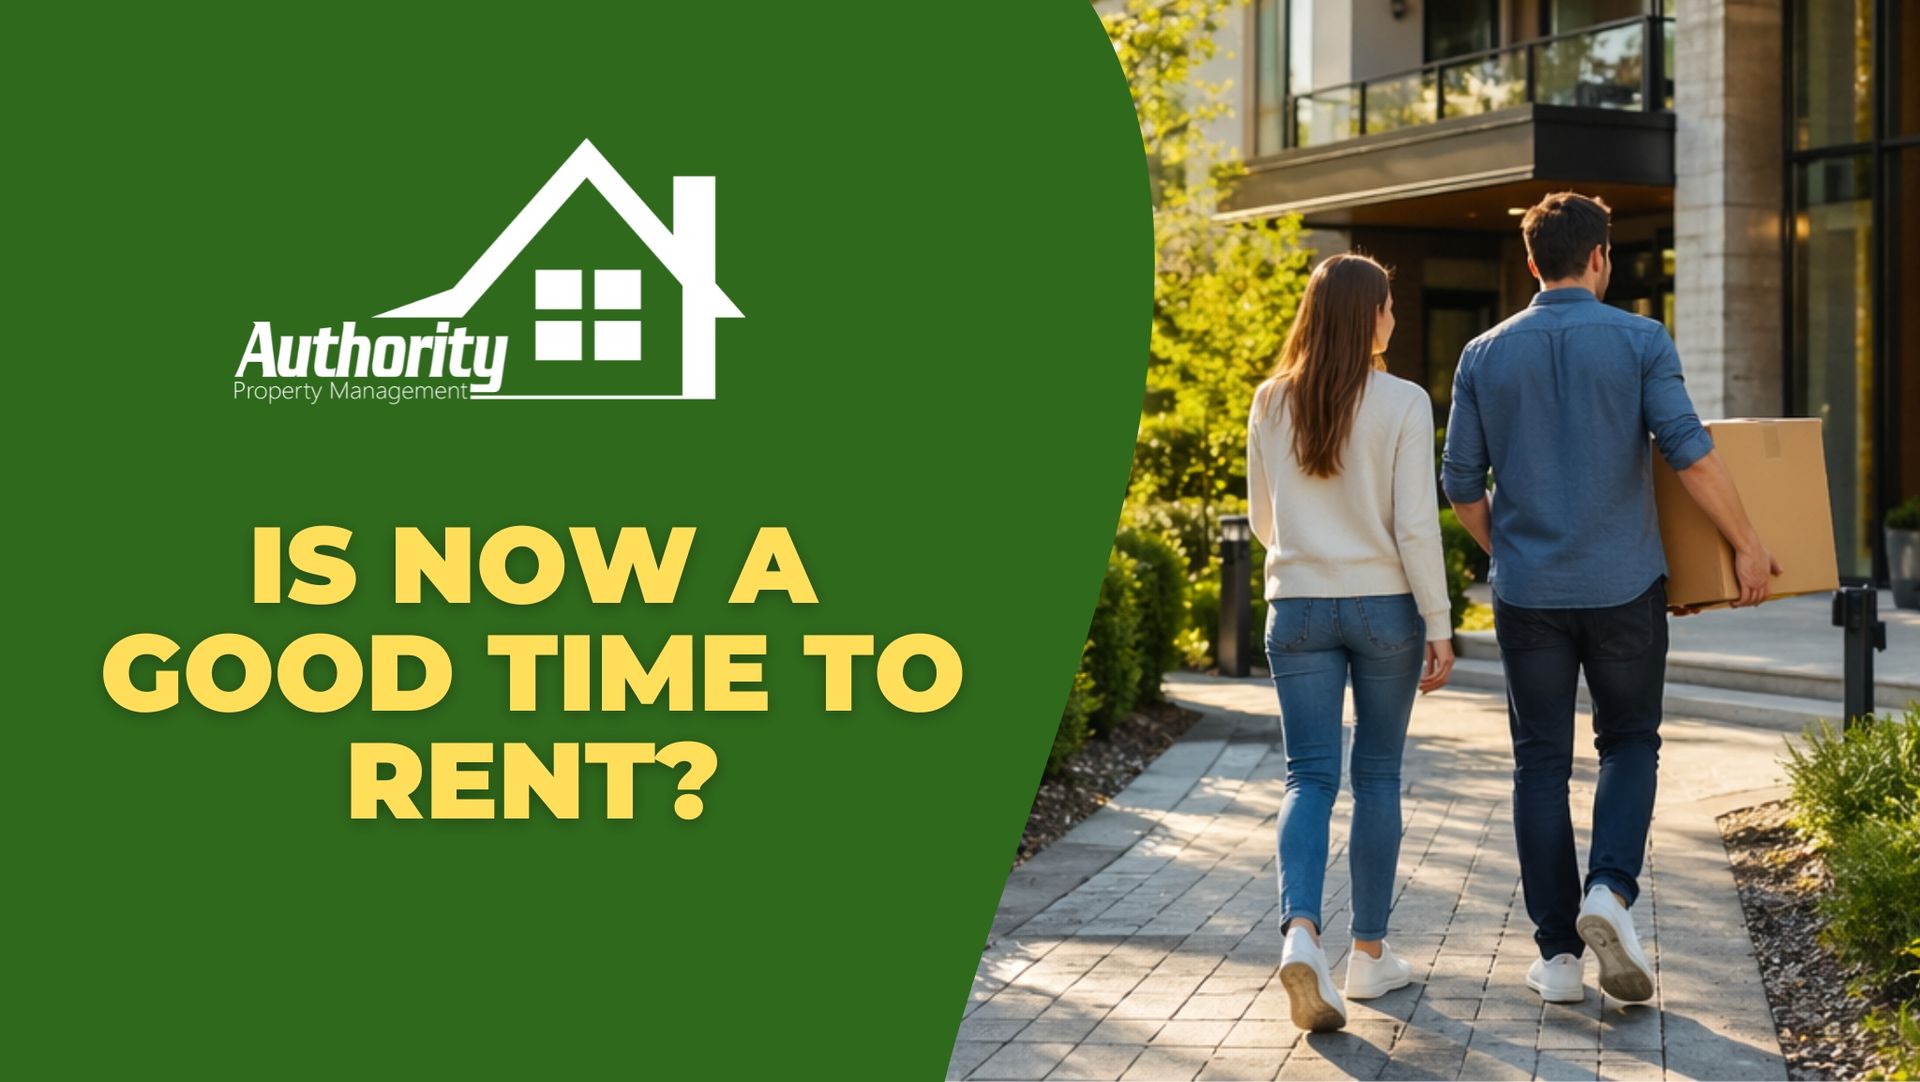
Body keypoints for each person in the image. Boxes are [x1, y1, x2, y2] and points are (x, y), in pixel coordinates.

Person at [1441, 191, 1780, 1006]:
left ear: (1531, 263)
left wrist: (1511, 553)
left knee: (1540, 766)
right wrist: (1744, 544)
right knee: (1629, 743)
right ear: (1600, 258)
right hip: (1626, 586)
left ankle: (1558, 960)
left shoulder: (1482, 354)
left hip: (1528, 596)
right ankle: (1610, 894)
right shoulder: (1640, 339)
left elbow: (1459, 485)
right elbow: (1689, 451)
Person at [1247, 252, 1455, 1033]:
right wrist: (1438, 622)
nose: (1394, 317)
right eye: (1389, 305)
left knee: (1308, 777)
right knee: (1377, 778)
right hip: (1383, 610)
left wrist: (1309, 545)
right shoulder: (1403, 401)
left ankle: (1302, 932)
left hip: (1296, 606)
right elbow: (1411, 524)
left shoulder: (1271, 401)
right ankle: (1369, 957)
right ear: (1369, 316)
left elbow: (1264, 520)